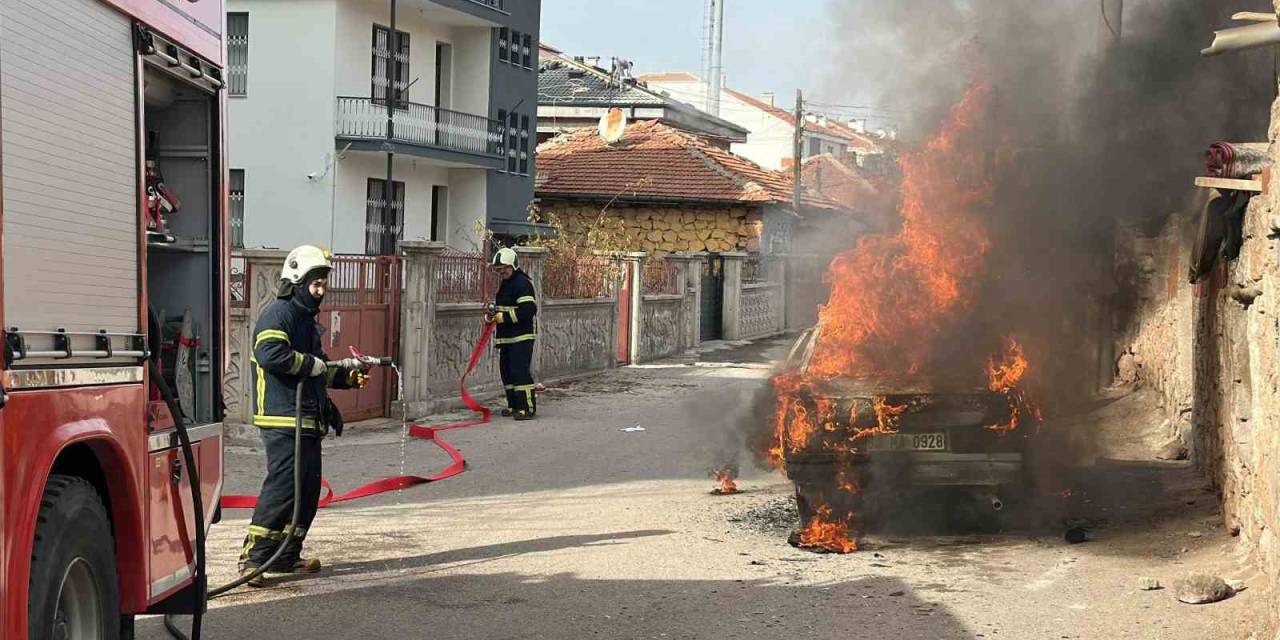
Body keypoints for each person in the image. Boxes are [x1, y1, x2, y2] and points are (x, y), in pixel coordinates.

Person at [239, 245, 369, 586]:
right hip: (282, 417)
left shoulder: (306, 322)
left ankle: (286, 555)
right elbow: (270, 353)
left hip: (307, 418)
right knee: (284, 486)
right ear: (297, 281)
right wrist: (311, 364)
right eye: (316, 284)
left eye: (324, 284)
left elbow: (319, 369)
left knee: (308, 490)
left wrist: (346, 378)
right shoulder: (278, 314)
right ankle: (253, 558)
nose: (321, 290)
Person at [487, 247, 539, 420]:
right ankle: (514, 406)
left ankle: (527, 408)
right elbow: (503, 307)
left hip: (521, 337)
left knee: (519, 372)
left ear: (513, 265)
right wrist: (492, 316)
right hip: (507, 337)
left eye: (504, 268)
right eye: (499, 269)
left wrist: (504, 317)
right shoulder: (506, 283)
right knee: (507, 372)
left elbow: (528, 310)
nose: (502, 271)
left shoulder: (523, 283)